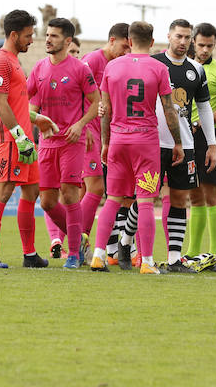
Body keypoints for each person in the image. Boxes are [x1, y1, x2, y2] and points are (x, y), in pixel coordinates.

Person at [119, 19, 216, 272]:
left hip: (184, 144)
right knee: (145, 197)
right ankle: (125, 241)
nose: (183, 42)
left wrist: (211, 143)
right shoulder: (153, 64)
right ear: (168, 37)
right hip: (151, 142)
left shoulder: (196, 70)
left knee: (179, 199)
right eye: (178, 37)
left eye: (187, 37)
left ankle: (174, 259)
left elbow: (205, 108)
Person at [90, 21, 182, 275]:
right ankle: (148, 262)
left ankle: (98, 255)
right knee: (144, 202)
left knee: (112, 201)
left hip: (119, 139)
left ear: (129, 41)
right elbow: (169, 109)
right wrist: (177, 142)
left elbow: (105, 110)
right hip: (146, 141)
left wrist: (106, 142)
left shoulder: (112, 66)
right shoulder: (159, 68)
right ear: (152, 43)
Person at [0, 9, 58, 269]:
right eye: (28, 35)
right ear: (14, 35)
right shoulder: (0, 62)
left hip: (23, 136)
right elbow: (1, 105)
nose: (32, 40)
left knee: (32, 190)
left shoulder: (13, 60)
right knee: (3, 191)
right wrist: (20, 138)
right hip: (10, 139)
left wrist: (36, 119)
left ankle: (29, 255)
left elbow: (15, 103)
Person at [27, 17, 99, 269]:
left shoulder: (80, 69)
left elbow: (95, 101)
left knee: (69, 195)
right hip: (47, 143)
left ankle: (73, 254)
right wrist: (36, 120)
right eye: (47, 35)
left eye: (54, 36)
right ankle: (78, 241)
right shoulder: (38, 69)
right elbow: (29, 105)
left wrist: (80, 125)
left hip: (71, 141)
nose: (48, 39)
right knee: (46, 202)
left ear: (68, 41)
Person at [79, 22, 130, 260]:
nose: (127, 52)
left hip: (108, 134)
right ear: (111, 40)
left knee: (85, 192)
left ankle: (76, 243)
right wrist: (82, 126)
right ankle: (79, 240)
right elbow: (75, 92)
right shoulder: (92, 61)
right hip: (88, 133)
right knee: (97, 188)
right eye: (123, 46)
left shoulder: (120, 65)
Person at [185, 22, 216, 258]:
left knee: (211, 193)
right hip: (184, 136)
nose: (205, 50)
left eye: (210, 45)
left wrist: (198, 123)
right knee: (194, 194)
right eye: (202, 44)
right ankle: (193, 250)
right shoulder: (184, 68)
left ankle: (215, 252)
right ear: (193, 41)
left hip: (209, 136)